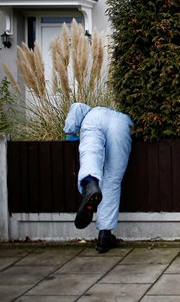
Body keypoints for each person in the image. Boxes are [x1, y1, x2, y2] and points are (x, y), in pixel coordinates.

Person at [63, 102, 133, 253]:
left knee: (91, 155)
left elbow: (75, 107)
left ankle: (90, 182)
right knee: (112, 180)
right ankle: (104, 237)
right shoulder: (120, 115)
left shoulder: (88, 111)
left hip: (93, 120)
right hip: (121, 124)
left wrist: (70, 133)